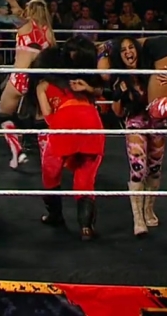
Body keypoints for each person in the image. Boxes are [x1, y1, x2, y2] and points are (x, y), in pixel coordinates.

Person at [26, 38, 104, 241]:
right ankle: (86, 228)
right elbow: (99, 93)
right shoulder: (78, 80)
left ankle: (55, 215)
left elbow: (47, 115)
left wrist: (59, 125)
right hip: (91, 122)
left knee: (50, 171)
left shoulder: (43, 85)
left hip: (63, 122)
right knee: (85, 177)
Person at [0, 0, 56, 169]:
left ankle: (17, 151)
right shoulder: (49, 34)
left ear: (29, 10)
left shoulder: (23, 24)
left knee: (4, 114)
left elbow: (11, 1)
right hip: (39, 81)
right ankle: (47, 156)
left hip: (20, 77)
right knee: (41, 119)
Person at [109, 36, 167, 237]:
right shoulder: (119, 79)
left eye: (131, 47)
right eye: (123, 50)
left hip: (157, 122)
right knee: (137, 169)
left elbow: (165, 93)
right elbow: (117, 112)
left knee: (155, 169)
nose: (128, 52)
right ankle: (138, 218)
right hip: (135, 122)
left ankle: (148, 210)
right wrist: (119, 94)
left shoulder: (150, 71)